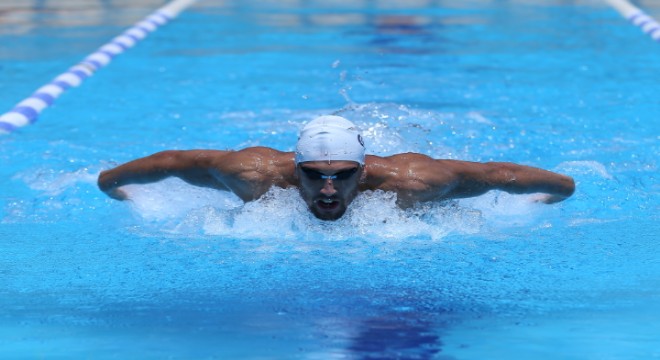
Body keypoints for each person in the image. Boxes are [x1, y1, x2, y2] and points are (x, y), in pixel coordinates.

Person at [98, 115, 575, 220]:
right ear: (295, 169)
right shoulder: (255, 174)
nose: (329, 189)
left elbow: (500, 176)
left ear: (364, 171)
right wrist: (110, 185)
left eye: (344, 175)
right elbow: (173, 162)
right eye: (315, 175)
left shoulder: (416, 182)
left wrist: (556, 193)